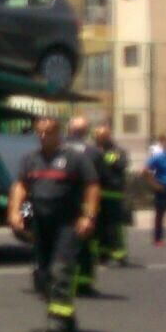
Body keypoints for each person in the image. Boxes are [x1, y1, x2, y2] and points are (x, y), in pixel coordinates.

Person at [8, 117, 100, 332]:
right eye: (39, 132)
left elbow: (92, 186)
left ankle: (57, 320)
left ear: (58, 133)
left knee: (61, 270)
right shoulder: (30, 159)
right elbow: (21, 187)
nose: (43, 136)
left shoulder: (75, 158)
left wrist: (88, 216)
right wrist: (16, 212)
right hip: (41, 223)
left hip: (67, 223)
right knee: (42, 275)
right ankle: (66, 316)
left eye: (48, 132)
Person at [64, 117, 104, 294]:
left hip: (59, 202)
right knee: (85, 244)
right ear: (86, 132)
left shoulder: (57, 148)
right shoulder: (94, 152)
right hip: (84, 204)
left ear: (68, 130)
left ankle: (53, 280)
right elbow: (100, 179)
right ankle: (83, 282)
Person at [93, 125, 131, 265]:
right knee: (98, 225)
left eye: (103, 136)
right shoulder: (92, 150)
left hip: (113, 192)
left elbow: (121, 164)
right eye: (98, 136)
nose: (100, 138)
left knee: (115, 225)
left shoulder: (118, 151)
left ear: (109, 136)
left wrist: (104, 157)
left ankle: (119, 252)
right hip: (96, 193)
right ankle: (101, 253)